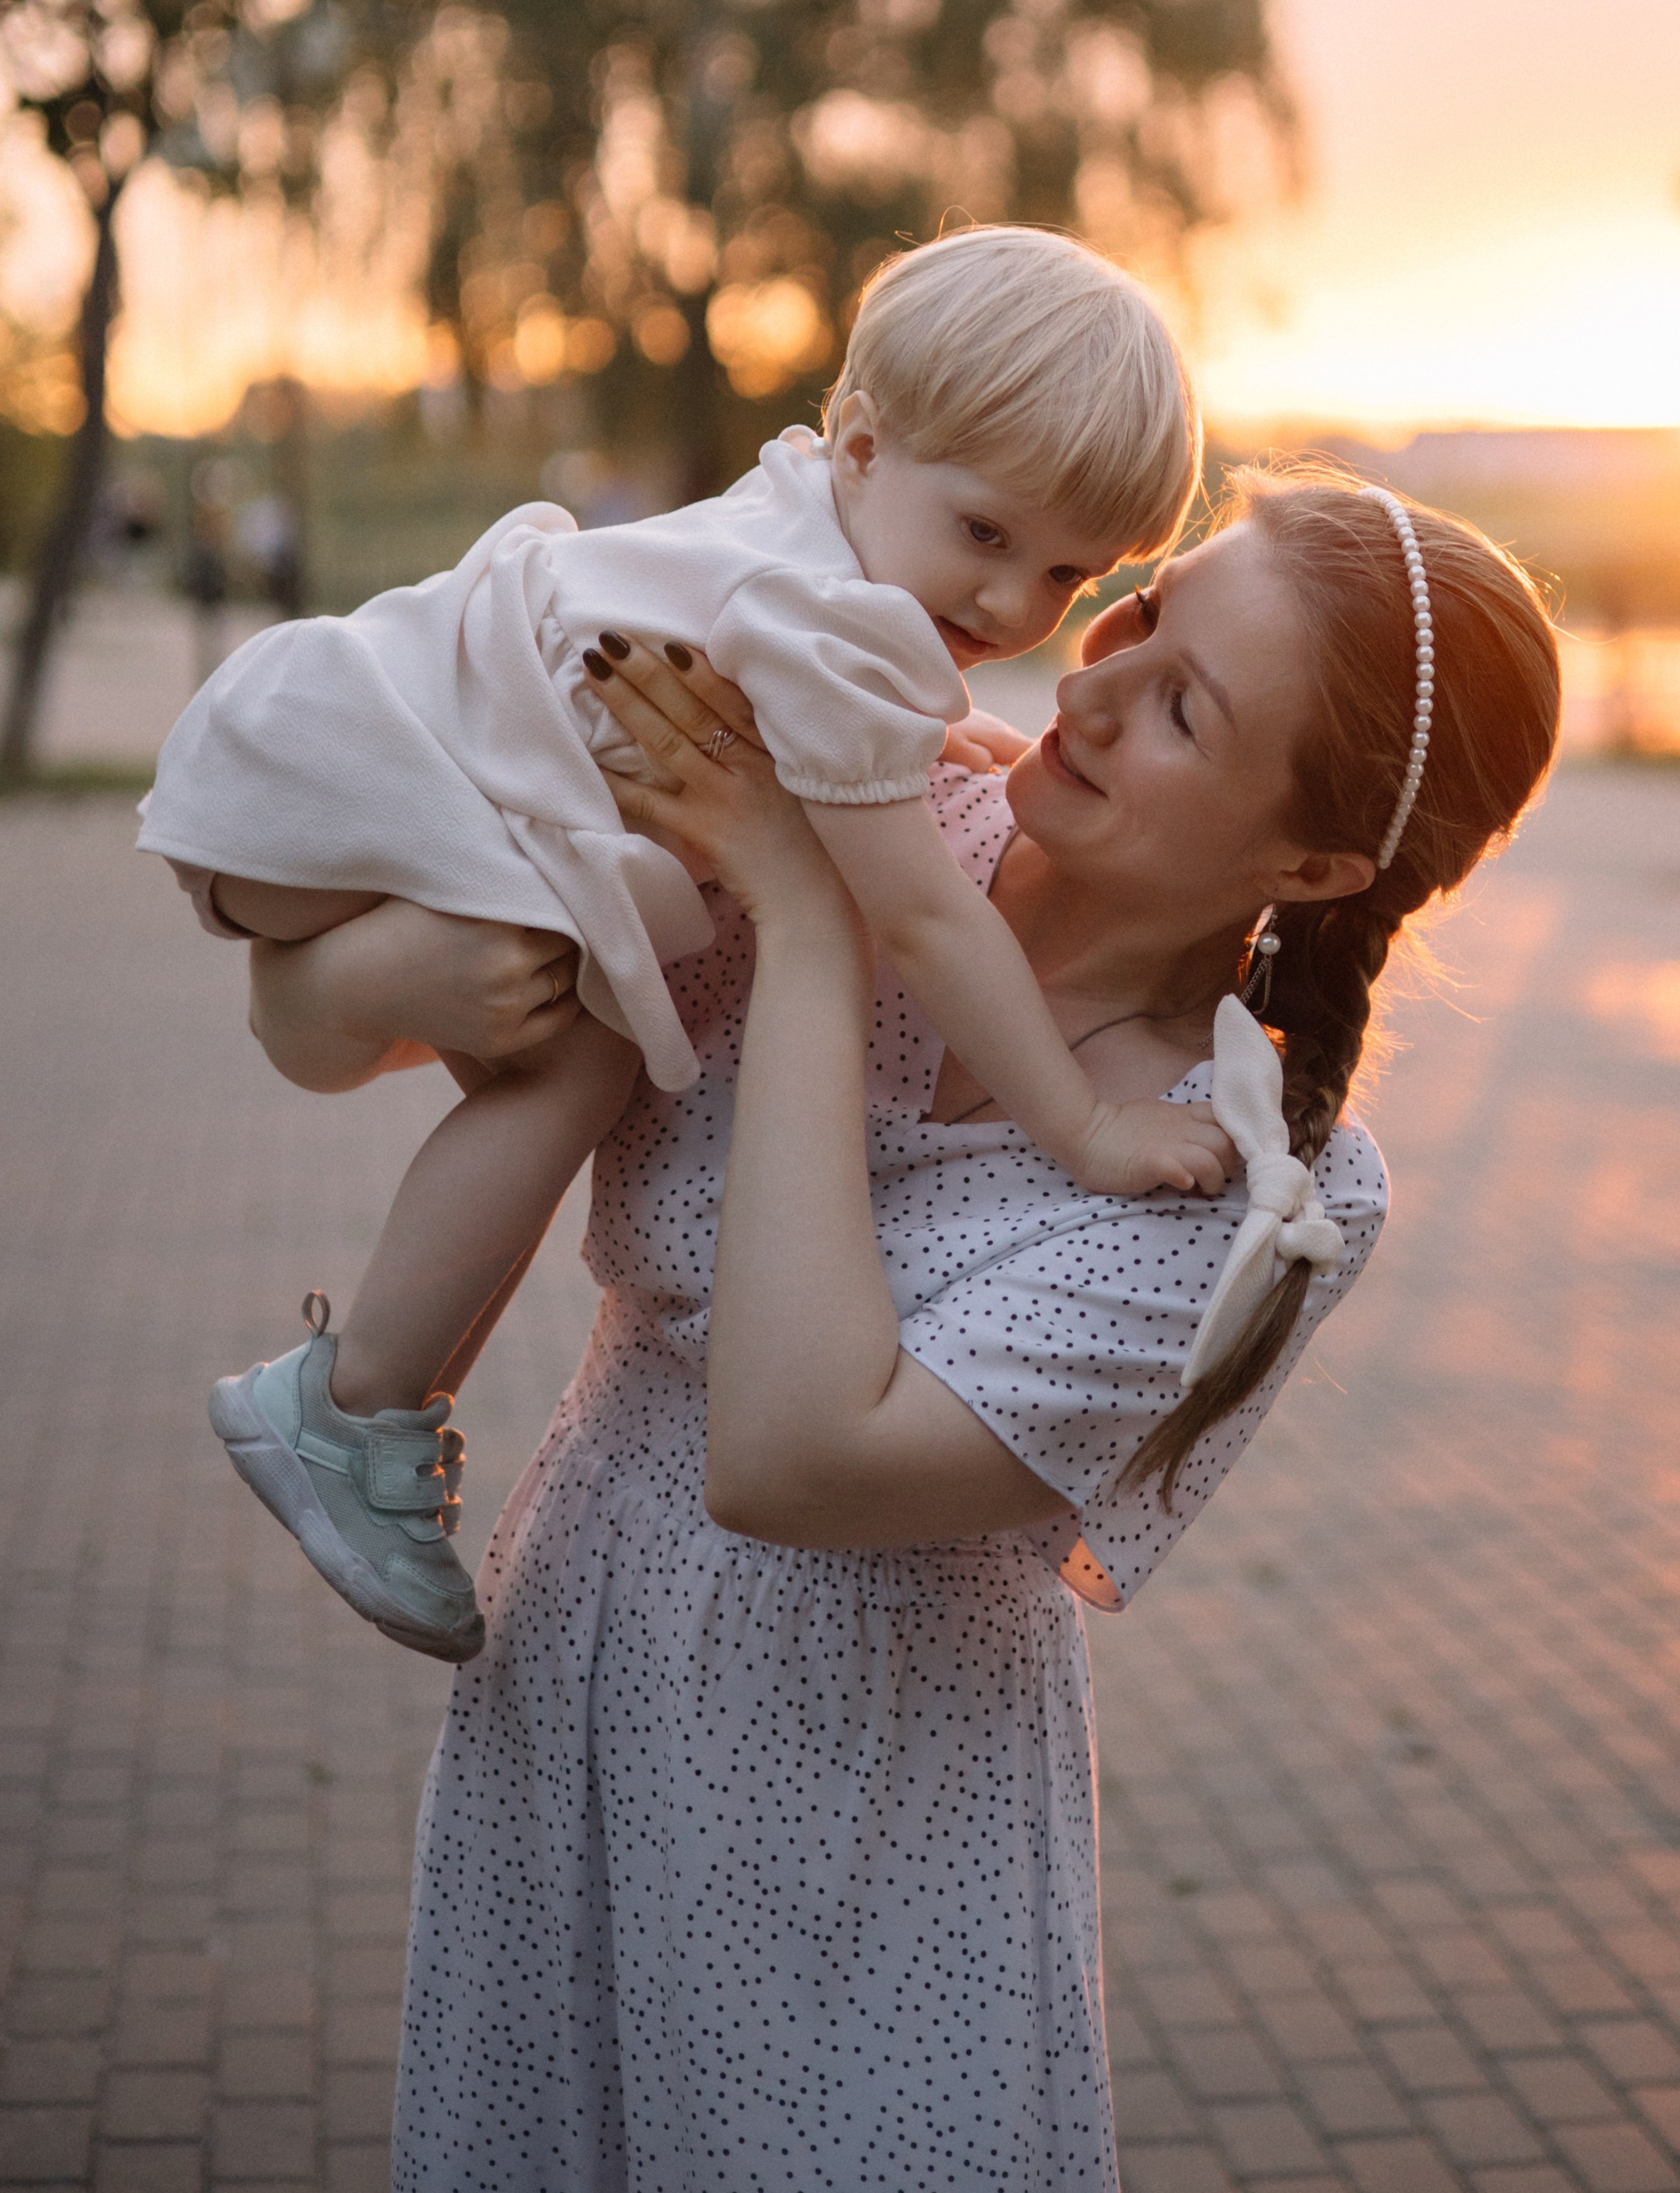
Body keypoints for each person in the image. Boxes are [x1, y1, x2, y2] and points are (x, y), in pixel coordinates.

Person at [245, 467, 1561, 2188]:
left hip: (878, 1827)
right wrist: (384, 983)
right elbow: (308, 1002)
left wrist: (801, 918)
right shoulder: (869, 794)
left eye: (1178, 707)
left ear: (1310, 860)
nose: (1081, 687)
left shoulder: (1260, 1181)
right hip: (568, 1704)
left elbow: (793, 1456)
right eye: (1145, 611)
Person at [140, 229, 1230, 1662]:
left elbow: (788, 696)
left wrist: (911, 739)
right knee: (578, 1066)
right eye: (984, 536)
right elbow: (919, 909)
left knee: (573, 1034)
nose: (1016, 607)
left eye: (1070, 573)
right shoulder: (838, 624)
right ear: (859, 442)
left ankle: (372, 1417)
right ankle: (346, 1408)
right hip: (370, 786)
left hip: (304, 754)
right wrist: (1084, 1126)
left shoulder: (792, 519)